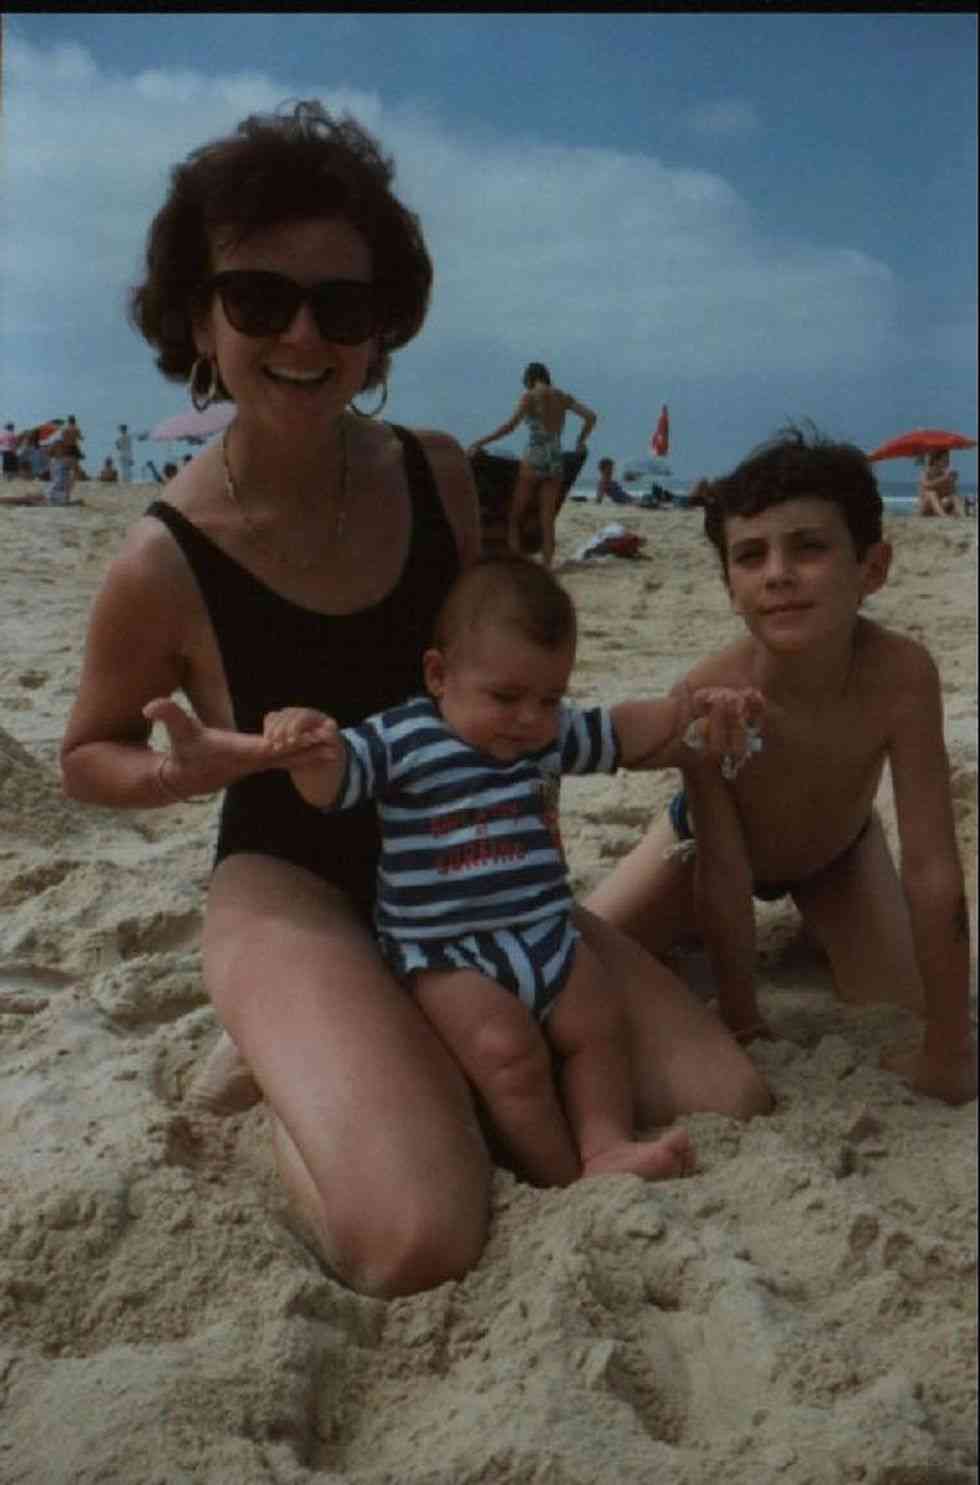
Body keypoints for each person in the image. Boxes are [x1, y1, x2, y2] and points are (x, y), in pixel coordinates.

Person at [60, 100, 768, 1300]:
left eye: (340, 306)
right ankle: (304, 1071)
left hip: (468, 875)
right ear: (197, 318)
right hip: (295, 886)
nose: (302, 334)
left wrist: (621, 758)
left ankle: (388, 1059)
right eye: (257, 298)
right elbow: (88, 754)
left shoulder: (435, 474)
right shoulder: (163, 559)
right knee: (416, 1238)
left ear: (380, 327)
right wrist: (174, 773)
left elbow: (497, 664)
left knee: (727, 1099)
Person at [263, 557, 764, 1188]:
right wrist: (305, 748)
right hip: (445, 952)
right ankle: (559, 1175)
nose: (529, 717)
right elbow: (333, 785)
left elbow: (618, 729)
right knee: (508, 1057)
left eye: (549, 699)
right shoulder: (404, 737)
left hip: (544, 931)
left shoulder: (546, 738)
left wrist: (685, 711)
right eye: (505, 697)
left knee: (597, 1026)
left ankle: (604, 1145)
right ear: (439, 675)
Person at [587, 424, 976, 1107]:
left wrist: (947, 1047)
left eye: (809, 547)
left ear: (872, 568)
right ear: (730, 587)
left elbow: (932, 866)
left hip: (838, 851)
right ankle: (695, 932)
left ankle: (815, 922)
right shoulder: (712, 688)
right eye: (750, 555)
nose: (778, 573)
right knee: (590, 956)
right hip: (703, 847)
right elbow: (722, 864)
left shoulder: (902, 675)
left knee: (906, 1001)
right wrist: (741, 1015)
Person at [468, 363, 597, 569]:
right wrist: (581, 440)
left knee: (515, 516)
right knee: (547, 520)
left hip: (535, 456)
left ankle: (517, 564)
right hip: (555, 457)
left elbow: (509, 427)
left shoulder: (530, 397)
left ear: (529, 379)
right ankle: (547, 567)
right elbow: (591, 417)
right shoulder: (562, 396)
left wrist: (481, 442)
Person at [917, 449, 962, 517]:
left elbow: (950, 491)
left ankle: (960, 513)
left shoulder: (943, 473)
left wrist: (952, 482)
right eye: (944, 460)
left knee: (953, 495)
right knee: (931, 494)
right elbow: (926, 485)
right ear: (936, 461)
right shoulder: (926, 472)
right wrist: (943, 479)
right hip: (925, 508)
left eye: (948, 460)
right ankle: (943, 516)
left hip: (938, 507)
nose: (947, 462)